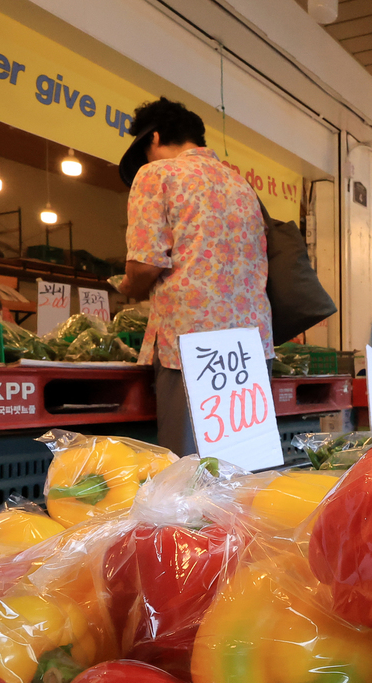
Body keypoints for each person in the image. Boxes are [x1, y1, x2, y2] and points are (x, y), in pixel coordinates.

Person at [115, 97, 272, 456]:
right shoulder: (241, 185)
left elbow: (146, 264)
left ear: (153, 139)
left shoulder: (157, 174)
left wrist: (128, 287)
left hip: (191, 342)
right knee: (242, 459)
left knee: (187, 470)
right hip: (249, 343)